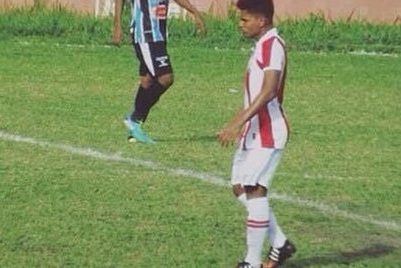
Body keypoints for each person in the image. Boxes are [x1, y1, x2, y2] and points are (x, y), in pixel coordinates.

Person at [216, 0, 296, 267]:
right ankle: (280, 243)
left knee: (255, 190)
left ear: (262, 20)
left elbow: (270, 89)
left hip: (268, 131)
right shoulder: (262, 45)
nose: (241, 24)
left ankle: (251, 262)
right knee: (239, 186)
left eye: (245, 20)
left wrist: (240, 122)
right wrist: (237, 121)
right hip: (254, 131)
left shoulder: (273, 46)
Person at [112, 0, 205, 144]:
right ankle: (135, 119)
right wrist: (117, 26)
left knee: (147, 80)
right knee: (165, 77)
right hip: (145, 34)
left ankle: (134, 130)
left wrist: (194, 11)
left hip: (159, 34)